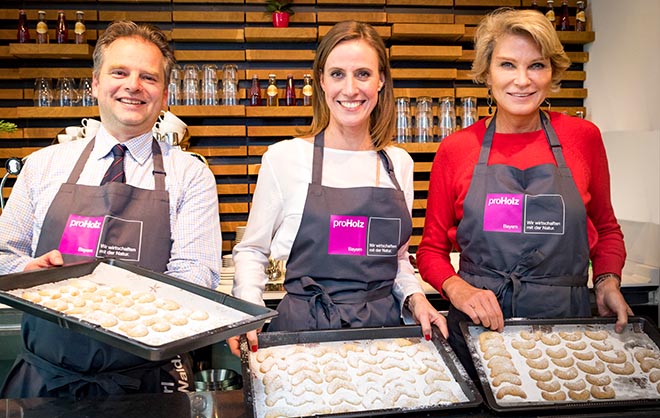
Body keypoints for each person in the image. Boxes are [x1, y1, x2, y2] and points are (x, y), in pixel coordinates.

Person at [0, 21, 222, 398]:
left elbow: (198, 273)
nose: (133, 85)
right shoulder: (43, 165)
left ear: (164, 94)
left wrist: (128, 299)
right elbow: (4, 254)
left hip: (148, 382)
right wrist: (27, 271)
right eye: (119, 72)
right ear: (95, 83)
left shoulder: (191, 175)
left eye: (148, 77)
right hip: (46, 380)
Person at [416, 8, 631, 377]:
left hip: (567, 327)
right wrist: (457, 289)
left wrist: (607, 279)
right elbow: (430, 250)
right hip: (479, 329)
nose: (522, 80)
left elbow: (607, 229)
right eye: (507, 65)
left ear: (552, 72)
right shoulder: (456, 150)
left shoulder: (584, 139)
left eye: (536, 65)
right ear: (486, 73)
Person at [227, 20, 447, 356]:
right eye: (337, 74)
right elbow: (252, 250)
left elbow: (398, 258)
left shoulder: (398, 163)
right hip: (303, 332)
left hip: (383, 333)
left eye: (363, 74)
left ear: (381, 81)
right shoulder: (285, 158)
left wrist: (416, 298)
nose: (350, 89)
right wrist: (249, 310)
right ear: (320, 81)